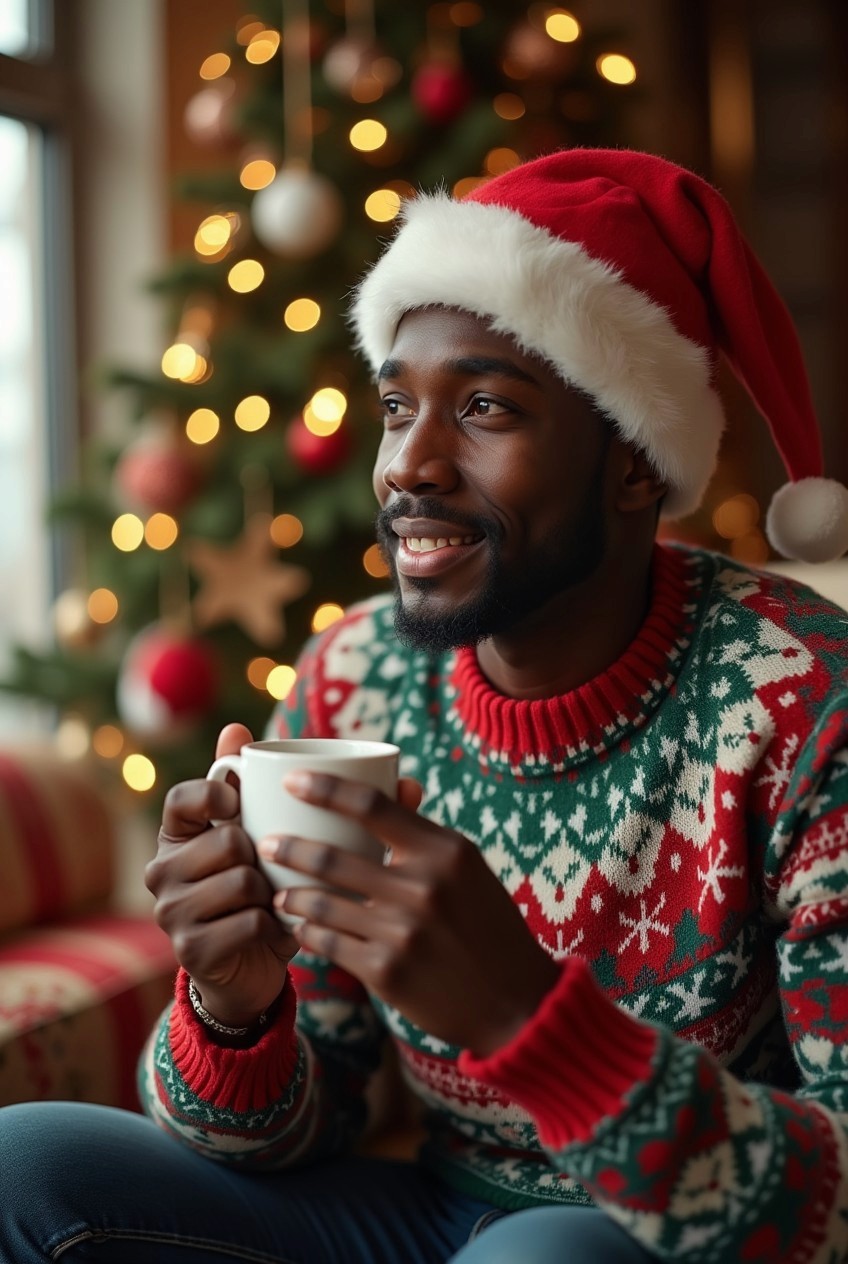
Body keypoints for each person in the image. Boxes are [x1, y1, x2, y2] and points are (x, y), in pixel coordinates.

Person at [2, 148, 848, 1264]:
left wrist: (526, 1022)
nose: (411, 464)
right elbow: (306, 1119)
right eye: (398, 405)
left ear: (634, 463)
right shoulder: (353, 674)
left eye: (486, 407)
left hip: (649, 1244)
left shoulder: (804, 700)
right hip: (419, 1216)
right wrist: (237, 1010)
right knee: (23, 1162)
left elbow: (834, 1206)